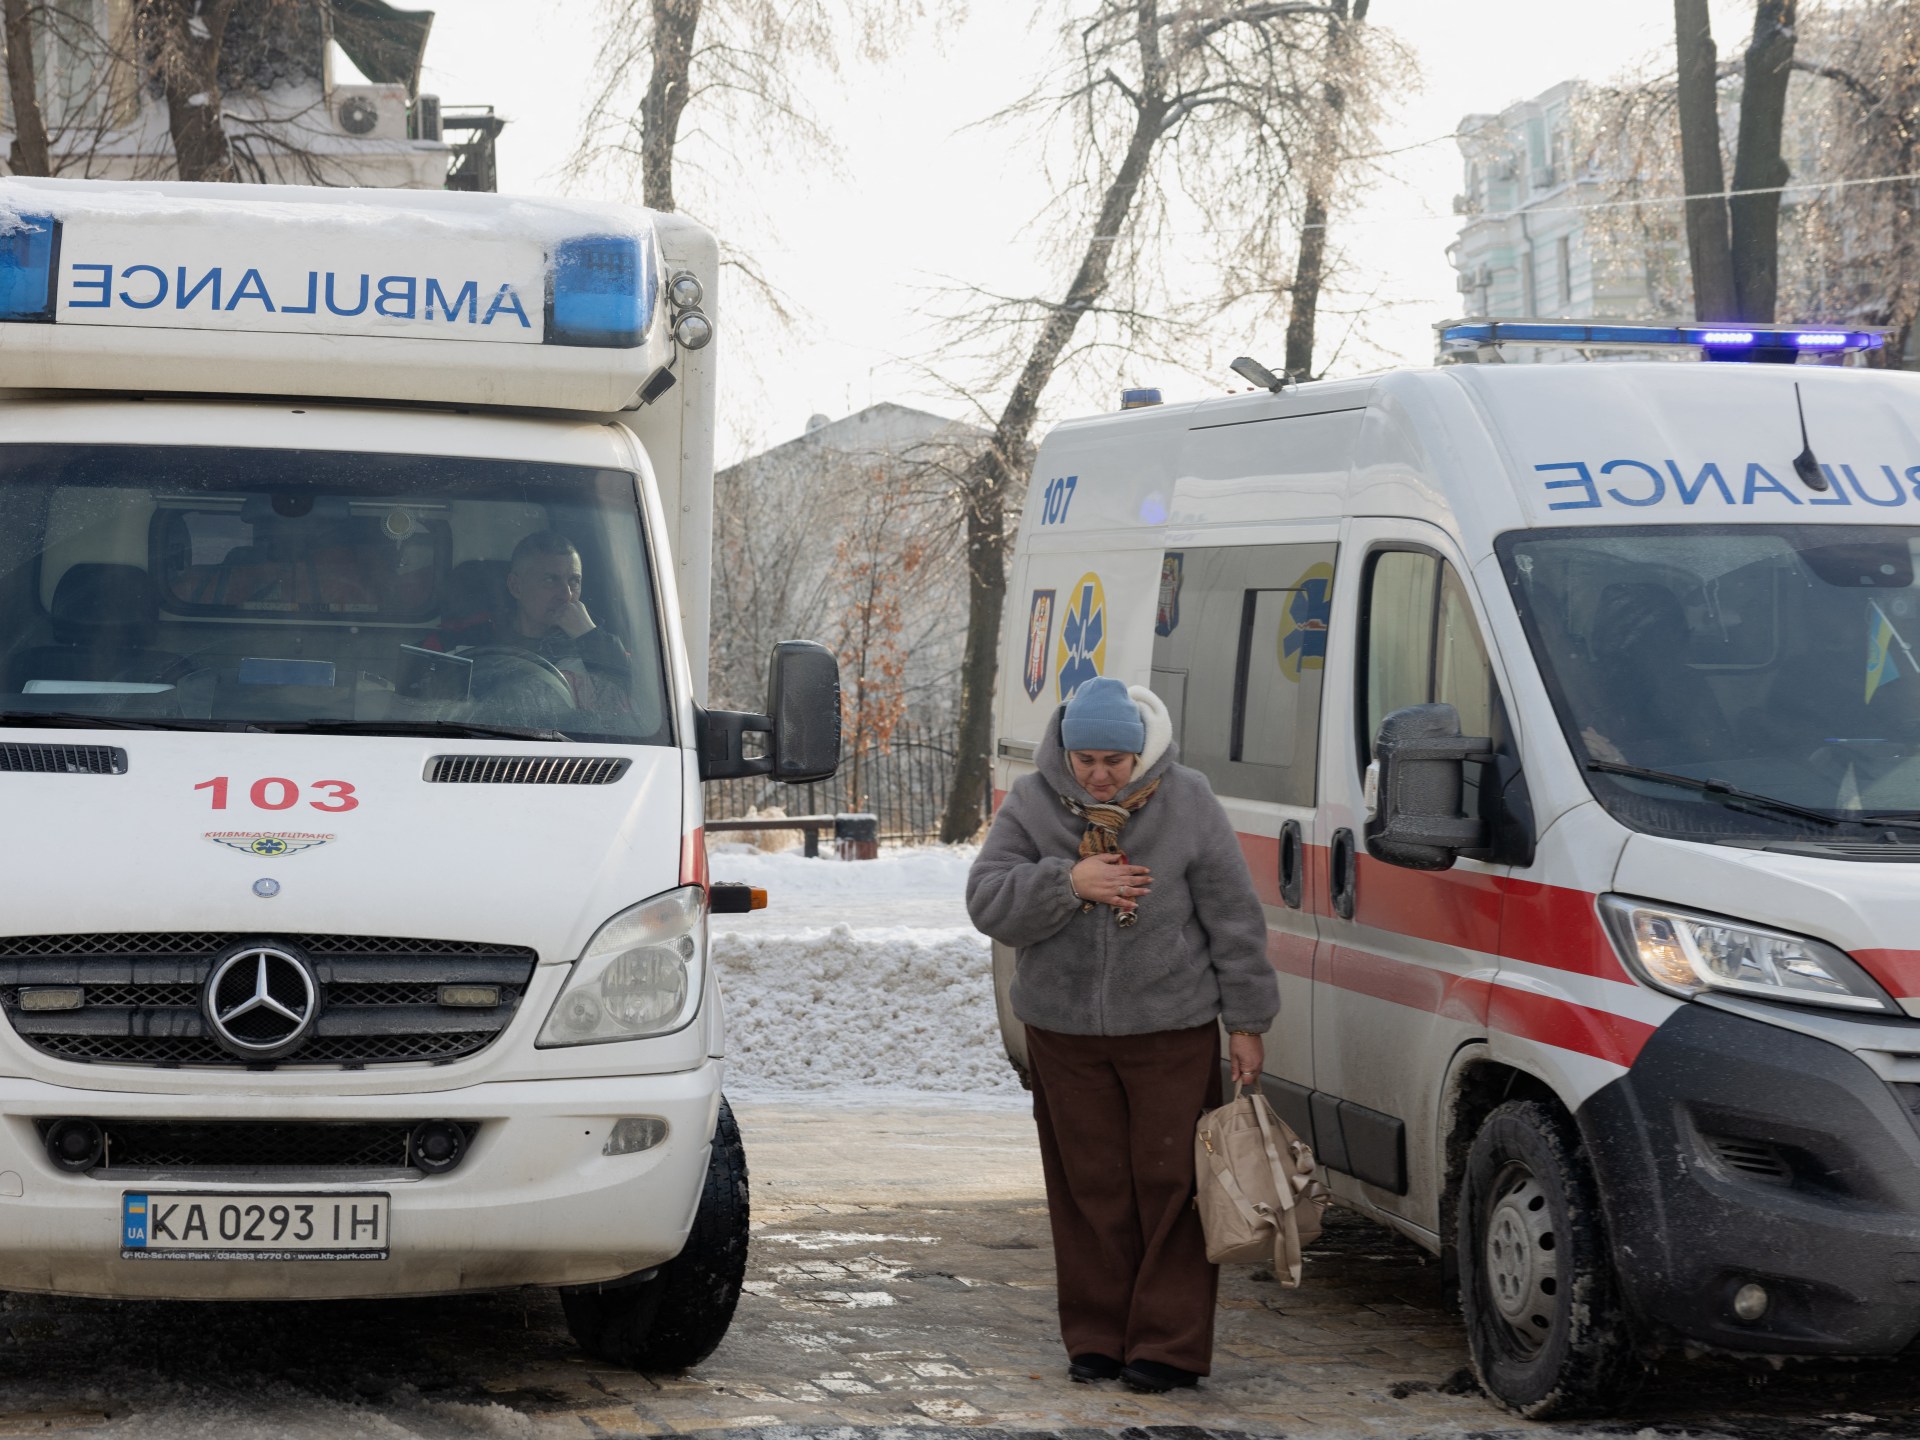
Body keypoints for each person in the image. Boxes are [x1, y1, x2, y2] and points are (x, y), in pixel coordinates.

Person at [967, 676, 1277, 1395]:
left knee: (1173, 1185)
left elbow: (1234, 918)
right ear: (1065, 751)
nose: (1100, 775)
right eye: (1087, 760)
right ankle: (1097, 1339)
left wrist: (1248, 1023)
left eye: (1115, 760)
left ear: (1141, 754)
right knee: (1089, 1187)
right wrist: (1068, 884)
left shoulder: (1189, 800)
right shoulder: (1032, 803)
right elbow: (987, 900)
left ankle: (1167, 1347)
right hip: (1064, 1033)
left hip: (1171, 1029)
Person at [432, 531, 630, 704]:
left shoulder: (596, 648)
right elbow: (425, 690)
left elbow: (633, 698)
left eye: (574, 581)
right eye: (550, 580)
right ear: (516, 586)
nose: (566, 594)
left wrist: (589, 636)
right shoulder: (465, 639)